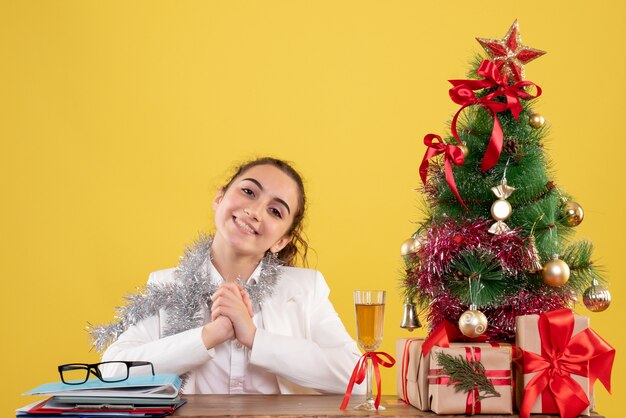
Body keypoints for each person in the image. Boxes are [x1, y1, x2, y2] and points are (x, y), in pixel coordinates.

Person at [96, 157, 363, 395]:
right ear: (219, 198)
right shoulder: (167, 285)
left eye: (275, 211)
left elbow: (359, 379)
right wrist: (210, 335)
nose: (255, 211)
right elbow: (113, 371)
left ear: (281, 240)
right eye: (248, 191)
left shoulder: (305, 289)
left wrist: (254, 338)